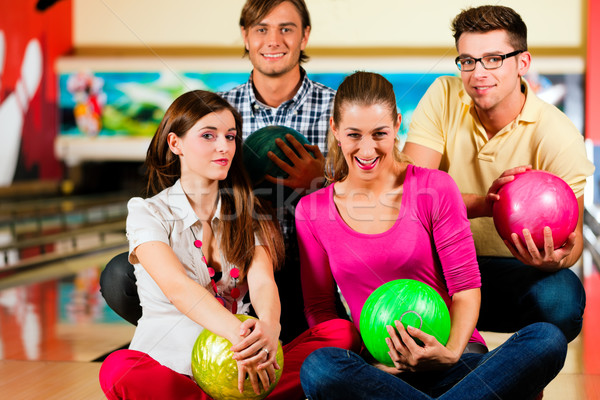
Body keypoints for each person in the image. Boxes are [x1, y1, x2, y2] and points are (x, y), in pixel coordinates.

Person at [296, 71, 567, 400]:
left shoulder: (434, 188)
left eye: (379, 133)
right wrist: (376, 362)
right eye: (354, 134)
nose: (367, 149)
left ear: (397, 125)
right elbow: (321, 309)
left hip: (456, 361)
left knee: (546, 339)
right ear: (335, 130)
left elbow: (465, 288)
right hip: (380, 372)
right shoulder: (311, 211)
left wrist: (450, 352)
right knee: (319, 366)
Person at [100, 0, 341, 344]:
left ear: (304, 37)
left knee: (330, 330)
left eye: (286, 29)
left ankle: (256, 341)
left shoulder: (336, 111)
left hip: (309, 267)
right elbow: (185, 197)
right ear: (245, 37)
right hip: (236, 265)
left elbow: (372, 190)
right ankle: (195, 339)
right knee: (120, 275)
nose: (273, 40)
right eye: (261, 29)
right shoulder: (218, 111)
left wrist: (323, 180)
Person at [98, 90, 359, 400]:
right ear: (175, 143)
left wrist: (270, 330)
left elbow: (262, 282)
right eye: (208, 135)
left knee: (340, 333)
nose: (224, 146)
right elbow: (178, 288)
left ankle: (246, 392)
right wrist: (243, 337)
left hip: (248, 362)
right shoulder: (147, 212)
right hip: (174, 367)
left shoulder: (250, 212)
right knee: (117, 369)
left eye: (230, 136)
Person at [402, 5, 594, 343]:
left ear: (523, 63)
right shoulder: (443, 97)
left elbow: (573, 241)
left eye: (493, 59)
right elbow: (407, 197)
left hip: (515, 271)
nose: (478, 73)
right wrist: (486, 203)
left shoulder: (558, 134)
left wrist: (553, 260)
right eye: (468, 60)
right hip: (441, 266)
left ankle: (522, 369)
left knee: (562, 298)